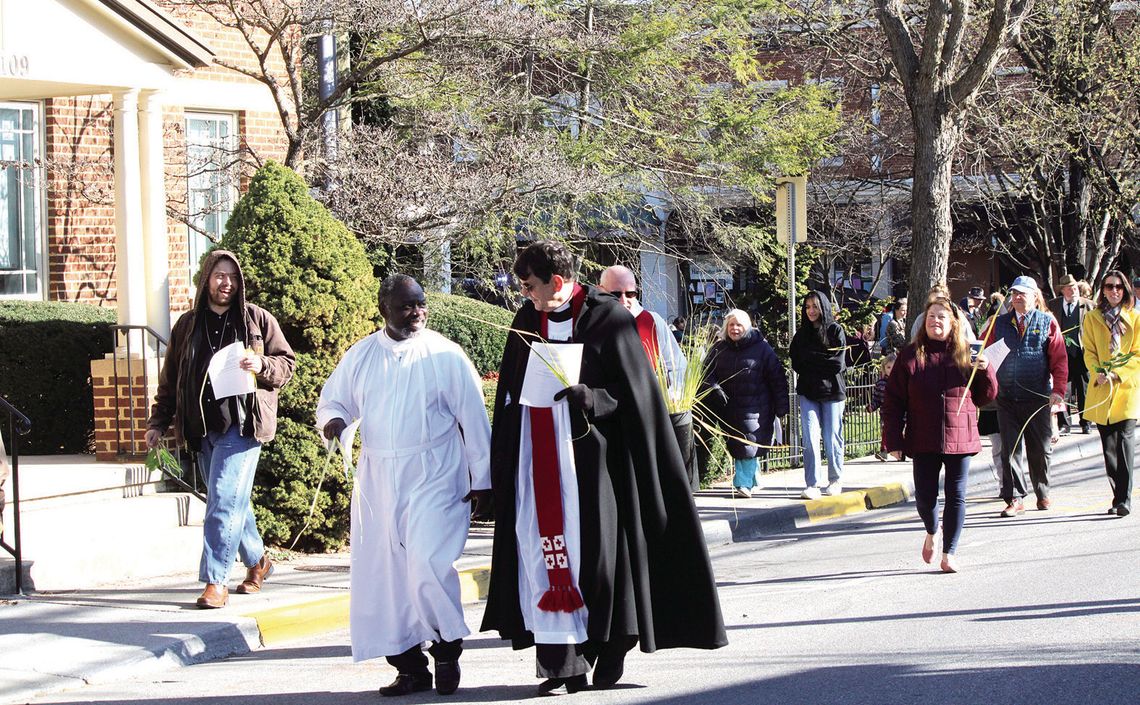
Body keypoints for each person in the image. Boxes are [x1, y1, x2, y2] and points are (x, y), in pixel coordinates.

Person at [481, 241, 726, 694]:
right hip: (538, 459)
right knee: (545, 555)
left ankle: (610, 643)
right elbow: (510, 393)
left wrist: (594, 398)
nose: (525, 293)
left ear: (556, 283)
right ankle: (562, 661)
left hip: (596, 462)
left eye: (529, 285)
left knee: (597, 561)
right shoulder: (525, 321)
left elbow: (638, 394)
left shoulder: (608, 318)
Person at [316, 275, 491, 697]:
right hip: (378, 478)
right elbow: (332, 402)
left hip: (435, 471)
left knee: (427, 564)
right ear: (384, 310)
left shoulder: (446, 356)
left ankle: (447, 648)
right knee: (386, 576)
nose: (416, 312)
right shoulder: (361, 356)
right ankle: (409, 666)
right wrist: (335, 424)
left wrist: (484, 481)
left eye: (420, 304)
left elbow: (473, 418)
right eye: (406, 306)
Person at [146, 250, 295, 609]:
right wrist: (158, 422)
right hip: (201, 429)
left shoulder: (256, 320)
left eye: (231, 276)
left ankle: (216, 581)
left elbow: (286, 364)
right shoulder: (187, 325)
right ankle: (259, 561)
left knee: (222, 501)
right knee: (230, 501)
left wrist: (261, 363)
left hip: (242, 428)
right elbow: (171, 381)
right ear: (206, 280)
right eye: (219, 276)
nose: (226, 282)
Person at [882, 296, 998, 573]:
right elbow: (893, 401)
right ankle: (932, 530)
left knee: (956, 495)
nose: (936, 321)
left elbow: (985, 396)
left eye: (942, 317)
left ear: (953, 323)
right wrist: (893, 441)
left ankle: (949, 553)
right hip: (923, 437)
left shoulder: (967, 353)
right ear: (924, 322)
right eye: (932, 316)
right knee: (925, 497)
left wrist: (986, 370)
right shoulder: (911, 355)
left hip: (960, 434)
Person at [982, 275, 1068, 517]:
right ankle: (1015, 497)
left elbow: (1059, 359)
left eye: (1022, 293)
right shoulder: (997, 323)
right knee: (1009, 449)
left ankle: (1043, 492)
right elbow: (981, 351)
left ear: (1034, 296)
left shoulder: (1047, 321)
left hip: (1037, 396)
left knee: (1040, 449)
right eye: (1014, 293)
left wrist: (1058, 392)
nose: (1017, 297)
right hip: (1006, 397)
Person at [701, 309, 789, 499]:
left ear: (747, 327)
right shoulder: (719, 348)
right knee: (740, 443)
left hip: (756, 406)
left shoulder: (762, 348)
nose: (735, 328)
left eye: (739, 325)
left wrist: (782, 405)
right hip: (729, 406)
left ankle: (743, 483)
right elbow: (706, 372)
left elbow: (777, 377)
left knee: (747, 441)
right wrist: (714, 388)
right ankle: (754, 477)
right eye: (731, 325)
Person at [1081, 270, 1140, 517]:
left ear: (1125, 290)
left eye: (1118, 287)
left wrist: (1118, 373)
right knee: (1108, 447)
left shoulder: (1135, 318)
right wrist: (1098, 373)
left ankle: (1125, 498)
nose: (1114, 291)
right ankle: (1117, 496)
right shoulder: (1092, 318)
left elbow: (1137, 354)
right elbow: (1089, 351)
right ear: (1102, 290)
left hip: (1126, 388)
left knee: (1124, 441)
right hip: (1101, 388)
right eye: (1109, 287)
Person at [789, 291, 847, 499]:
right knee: (811, 437)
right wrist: (820, 359)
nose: (811, 311)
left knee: (832, 436)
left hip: (832, 391)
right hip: (808, 392)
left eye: (815, 306)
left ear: (823, 306)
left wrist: (811, 361)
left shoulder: (835, 330)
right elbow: (797, 363)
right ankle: (812, 483)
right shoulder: (801, 335)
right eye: (807, 307)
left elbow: (837, 363)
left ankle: (835, 479)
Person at [598, 265, 687, 393]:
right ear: (601, 290)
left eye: (630, 294)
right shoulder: (591, 323)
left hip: (646, 406)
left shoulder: (653, 321)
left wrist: (668, 396)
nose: (623, 301)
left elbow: (678, 364)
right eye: (616, 294)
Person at [1048, 274, 1093, 434]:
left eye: (1074, 287)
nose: (1073, 290)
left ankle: (1085, 422)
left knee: (1083, 390)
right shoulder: (1053, 305)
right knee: (1062, 390)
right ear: (1063, 291)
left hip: (1082, 354)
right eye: (1069, 288)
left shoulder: (1089, 306)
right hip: (1061, 355)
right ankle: (1063, 423)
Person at [867, 352, 897, 460]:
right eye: (888, 367)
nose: (891, 370)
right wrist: (872, 406)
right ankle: (884, 451)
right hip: (886, 413)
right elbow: (877, 399)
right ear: (884, 369)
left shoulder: (901, 382)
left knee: (901, 432)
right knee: (886, 431)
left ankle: (901, 451)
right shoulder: (880, 384)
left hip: (900, 413)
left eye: (894, 367)